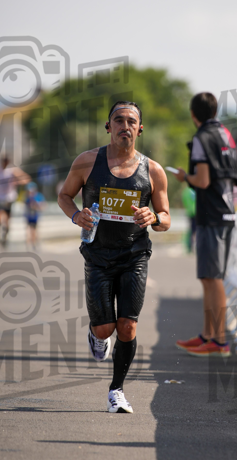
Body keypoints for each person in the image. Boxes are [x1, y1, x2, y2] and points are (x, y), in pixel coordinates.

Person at [57, 100, 171, 414]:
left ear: (140, 128)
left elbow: (166, 218)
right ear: (109, 127)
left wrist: (153, 218)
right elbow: (64, 196)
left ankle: (116, 390)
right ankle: (97, 335)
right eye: (118, 120)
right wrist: (76, 215)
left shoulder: (153, 171)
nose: (125, 126)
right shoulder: (87, 162)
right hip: (97, 255)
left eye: (131, 121)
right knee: (105, 329)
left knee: (128, 327)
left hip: (134, 255)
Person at [174, 91, 237, 357]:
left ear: (194, 115)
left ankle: (219, 339)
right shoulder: (226, 134)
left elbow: (201, 180)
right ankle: (208, 334)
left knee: (212, 279)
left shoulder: (201, 137)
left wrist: (184, 177)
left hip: (211, 213)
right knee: (208, 277)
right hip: (227, 211)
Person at [0, 156, 30, 245]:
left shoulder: (12, 170)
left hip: (9, 197)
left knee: (7, 215)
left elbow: (26, 179)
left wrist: (18, 181)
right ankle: (2, 229)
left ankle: (6, 229)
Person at [24, 182, 45, 248]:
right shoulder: (28, 197)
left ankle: (34, 243)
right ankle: (29, 244)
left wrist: (36, 206)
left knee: (34, 229)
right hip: (29, 215)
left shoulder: (38, 196)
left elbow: (43, 205)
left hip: (34, 215)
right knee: (29, 229)